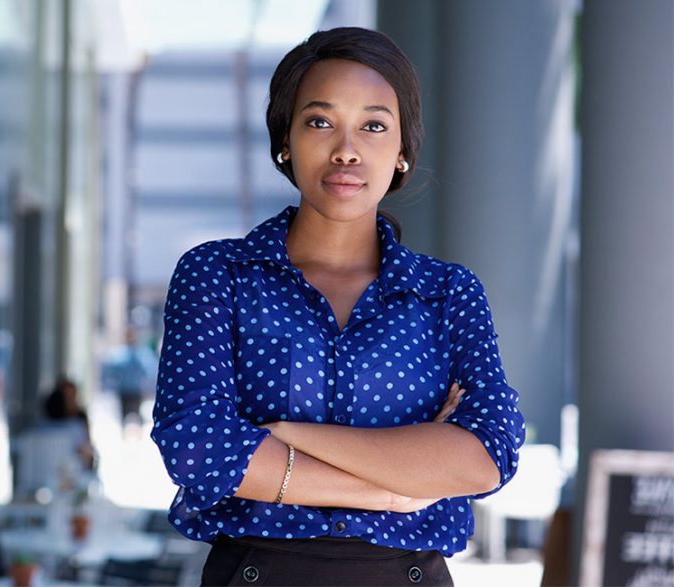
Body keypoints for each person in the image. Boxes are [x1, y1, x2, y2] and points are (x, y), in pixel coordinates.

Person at [151, 27, 525, 586]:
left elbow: (489, 452)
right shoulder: (218, 275)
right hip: (258, 573)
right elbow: (195, 446)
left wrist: (284, 434)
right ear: (285, 139)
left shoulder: (448, 294)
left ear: (401, 151)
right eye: (320, 121)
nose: (346, 149)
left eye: (373, 126)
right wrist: (396, 489)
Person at [43, 376, 96, 471]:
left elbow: (89, 457)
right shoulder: (75, 427)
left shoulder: (80, 420)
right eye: (67, 397)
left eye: (73, 396)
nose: (72, 401)